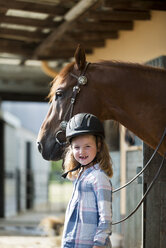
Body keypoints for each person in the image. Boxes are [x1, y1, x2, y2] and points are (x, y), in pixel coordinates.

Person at [61, 113, 113, 248]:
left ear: (99, 145)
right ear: (71, 149)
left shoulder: (98, 177)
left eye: (87, 146)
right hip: (72, 242)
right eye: (76, 147)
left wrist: (99, 242)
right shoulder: (80, 175)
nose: (81, 151)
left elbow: (105, 216)